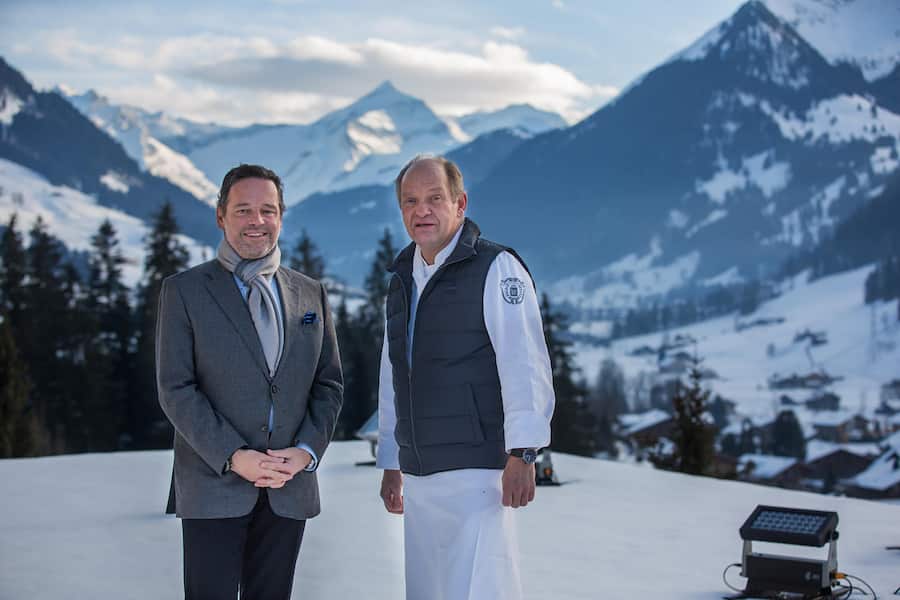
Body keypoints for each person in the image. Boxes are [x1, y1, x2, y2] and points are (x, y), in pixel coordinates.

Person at [156, 163, 343, 600]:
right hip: (212, 485)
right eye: (243, 210)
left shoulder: (310, 293)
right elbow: (176, 388)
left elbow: (328, 384)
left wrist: (305, 452)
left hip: (287, 487)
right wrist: (234, 456)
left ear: (281, 216)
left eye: (267, 210)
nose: (256, 221)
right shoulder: (184, 291)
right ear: (220, 216)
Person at [376, 155, 555, 599]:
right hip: (420, 474)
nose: (422, 210)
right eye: (410, 201)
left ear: (460, 203)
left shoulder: (496, 267)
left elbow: (524, 362)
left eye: (434, 198)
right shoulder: (402, 278)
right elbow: (392, 374)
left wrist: (524, 452)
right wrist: (391, 460)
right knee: (429, 590)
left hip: (478, 474)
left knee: (480, 587)